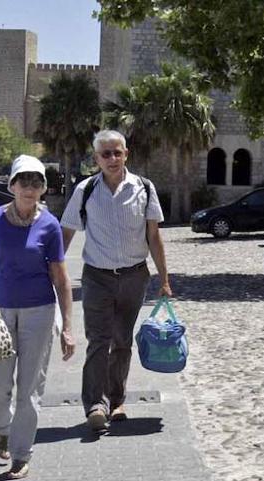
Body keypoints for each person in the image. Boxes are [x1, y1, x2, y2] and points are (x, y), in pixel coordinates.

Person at [60, 130, 172, 432]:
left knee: (122, 341)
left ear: (126, 154)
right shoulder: (85, 190)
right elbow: (66, 232)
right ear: (96, 158)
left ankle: (117, 400)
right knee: (99, 341)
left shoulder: (144, 188)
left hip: (134, 276)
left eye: (117, 153)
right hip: (97, 277)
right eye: (105, 154)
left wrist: (164, 279)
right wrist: (52, 272)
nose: (112, 158)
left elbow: (154, 236)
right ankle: (95, 404)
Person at [0, 155, 76, 479]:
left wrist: (68, 328)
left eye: (36, 182)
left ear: (43, 188)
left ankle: (21, 453)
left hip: (39, 312)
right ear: (12, 185)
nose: (30, 188)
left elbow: (61, 279)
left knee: (30, 387)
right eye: (24, 181)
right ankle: (2, 428)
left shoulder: (50, 225)